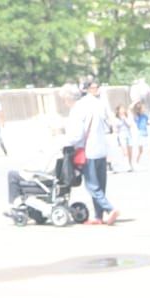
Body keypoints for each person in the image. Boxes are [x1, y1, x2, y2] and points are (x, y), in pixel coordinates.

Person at [64, 77, 117, 225]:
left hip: (88, 151)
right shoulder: (99, 104)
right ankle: (98, 217)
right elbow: (108, 126)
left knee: (92, 185)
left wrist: (66, 143)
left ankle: (109, 209)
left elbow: (76, 134)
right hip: (101, 149)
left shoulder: (79, 107)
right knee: (101, 184)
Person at [111, 102, 134, 171]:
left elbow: (130, 125)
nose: (122, 110)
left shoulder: (127, 116)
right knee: (125, 151)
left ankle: (130, 164)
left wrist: (125, 119)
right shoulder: (116, 118)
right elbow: (115, 127)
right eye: (121, 109)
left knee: (130, 150)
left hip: (129, 134)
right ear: (118, 110)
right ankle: (127, 165)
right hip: (121, 135)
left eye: (123, 109)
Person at [131, 100, 150, 170]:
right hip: (140, 135)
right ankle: (136, 163)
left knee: (148, 149)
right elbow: (131, 109)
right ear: (139, 110)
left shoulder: (145, 116)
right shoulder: (137, 117)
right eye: (143, 108)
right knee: (141, 151)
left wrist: (149, 124)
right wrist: (136, 102)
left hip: (146, 134)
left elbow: (146, 122)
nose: (144, 109)